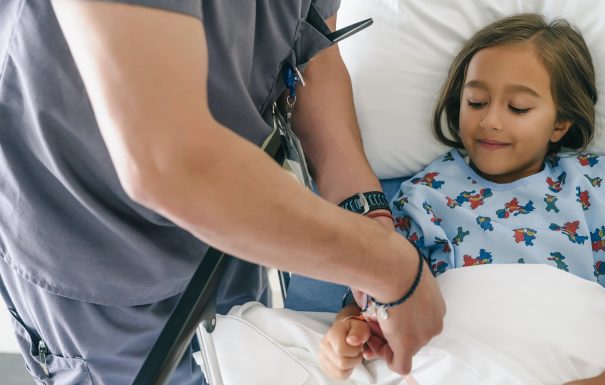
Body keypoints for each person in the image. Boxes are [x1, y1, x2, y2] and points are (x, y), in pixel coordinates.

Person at [0, 1, 445, 384]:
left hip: (237, 220)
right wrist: (389, 268)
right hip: (104, 257)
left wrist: (366, 213)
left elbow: (311, 48)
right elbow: (171, 164)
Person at [320, 13, 605, 385]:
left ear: (560, 124)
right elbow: (370, 307)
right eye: (477, 102)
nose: (491, 121)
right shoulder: (425, 195)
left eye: (518, 108)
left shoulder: (594, 186)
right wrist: (346, 335)